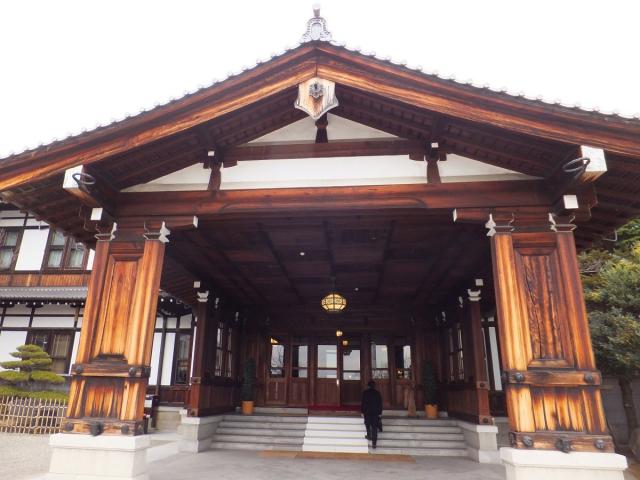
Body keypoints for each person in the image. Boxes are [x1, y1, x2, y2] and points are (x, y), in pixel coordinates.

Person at [361, 380, 383, 449]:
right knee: (374, 428)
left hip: (367, 412)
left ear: (368, 386)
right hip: (375, 413)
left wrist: (362, 412)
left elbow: (363, 403)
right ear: (374, 386)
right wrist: (380, 413)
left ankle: (369, 435)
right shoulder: (377, 393)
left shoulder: (365, 393)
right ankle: (374, 444)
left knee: (367, 424)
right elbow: (380, 404)